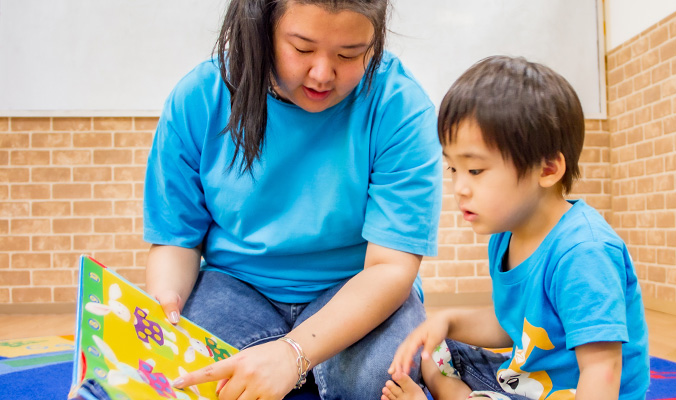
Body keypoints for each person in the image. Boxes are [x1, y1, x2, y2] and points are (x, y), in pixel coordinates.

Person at [142, 0, 443, 399]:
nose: (322, 74)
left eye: (349, 54)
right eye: (301, 49)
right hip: (236, 285)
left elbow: (391, 269)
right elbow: (176, 241)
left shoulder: (400, 106)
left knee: (383, 384)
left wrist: (294, 353)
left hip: (354, 287)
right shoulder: (199, 96)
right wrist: (167, 298)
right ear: (260, 29)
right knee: (191, 376)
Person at [383, 56, 649, 400]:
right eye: (452, 169)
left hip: (580, 391)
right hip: (527, 380)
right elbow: (512, 327)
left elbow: (602, 370)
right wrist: (446, 320)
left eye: (475, 171)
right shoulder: (505, 236)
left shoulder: (584, 252)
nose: (460, 187)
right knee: (435, 349)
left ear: (548, 168)